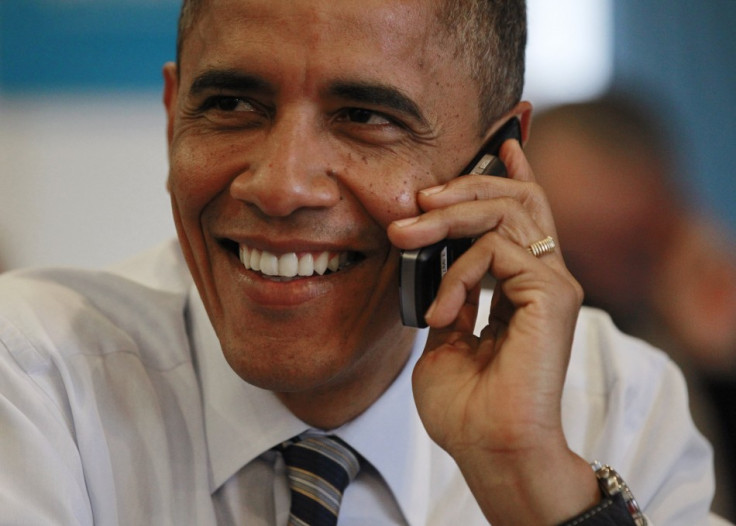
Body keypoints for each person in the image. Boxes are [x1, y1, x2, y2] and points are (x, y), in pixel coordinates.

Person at [0, 1, 725, 524]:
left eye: (364, 118)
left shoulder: (618, 408)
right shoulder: (34, 378)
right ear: (171, 117)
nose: (280, 185)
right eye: (230, 104)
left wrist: (532, 481)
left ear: (499, 160)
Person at [525, 95, 736, 521]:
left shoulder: (672, 335)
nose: (577, 292)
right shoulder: (482, 334)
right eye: (574, 252)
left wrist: (720, 367)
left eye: (629, 248)